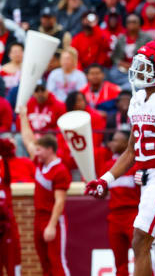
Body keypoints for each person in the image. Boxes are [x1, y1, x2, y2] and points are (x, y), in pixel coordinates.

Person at [85, 41, 155, 276]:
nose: (137, 70)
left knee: (140, 241)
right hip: (148, 177)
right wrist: (105, 179)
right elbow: (131, 151)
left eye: (144, 66)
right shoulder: (137, 99)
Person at [18, 107, 71, 276]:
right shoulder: (41, 164)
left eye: (39, 150)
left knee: (57, 262)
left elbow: (60, 201)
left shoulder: (60, 170)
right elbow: (28, 140)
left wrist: (51, 225)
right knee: (44, 263)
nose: (36, 153)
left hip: (51, 218)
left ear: (50, 149)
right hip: (38, 217)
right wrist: (23, 115)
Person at [102, 130, 141, 276]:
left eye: (117, 140)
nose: (112, 143)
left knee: (142, 257)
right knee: (119, 262)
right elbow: (103, 193)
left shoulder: (137, 165)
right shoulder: (107, 165)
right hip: (115, 217)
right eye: (112, 140)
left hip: (134, 215)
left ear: (127, 143)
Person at [0, 137, 22, 275]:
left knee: (11, 265)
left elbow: (7, 174)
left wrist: (5, 156)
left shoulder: (5, 184)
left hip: (7, 228)